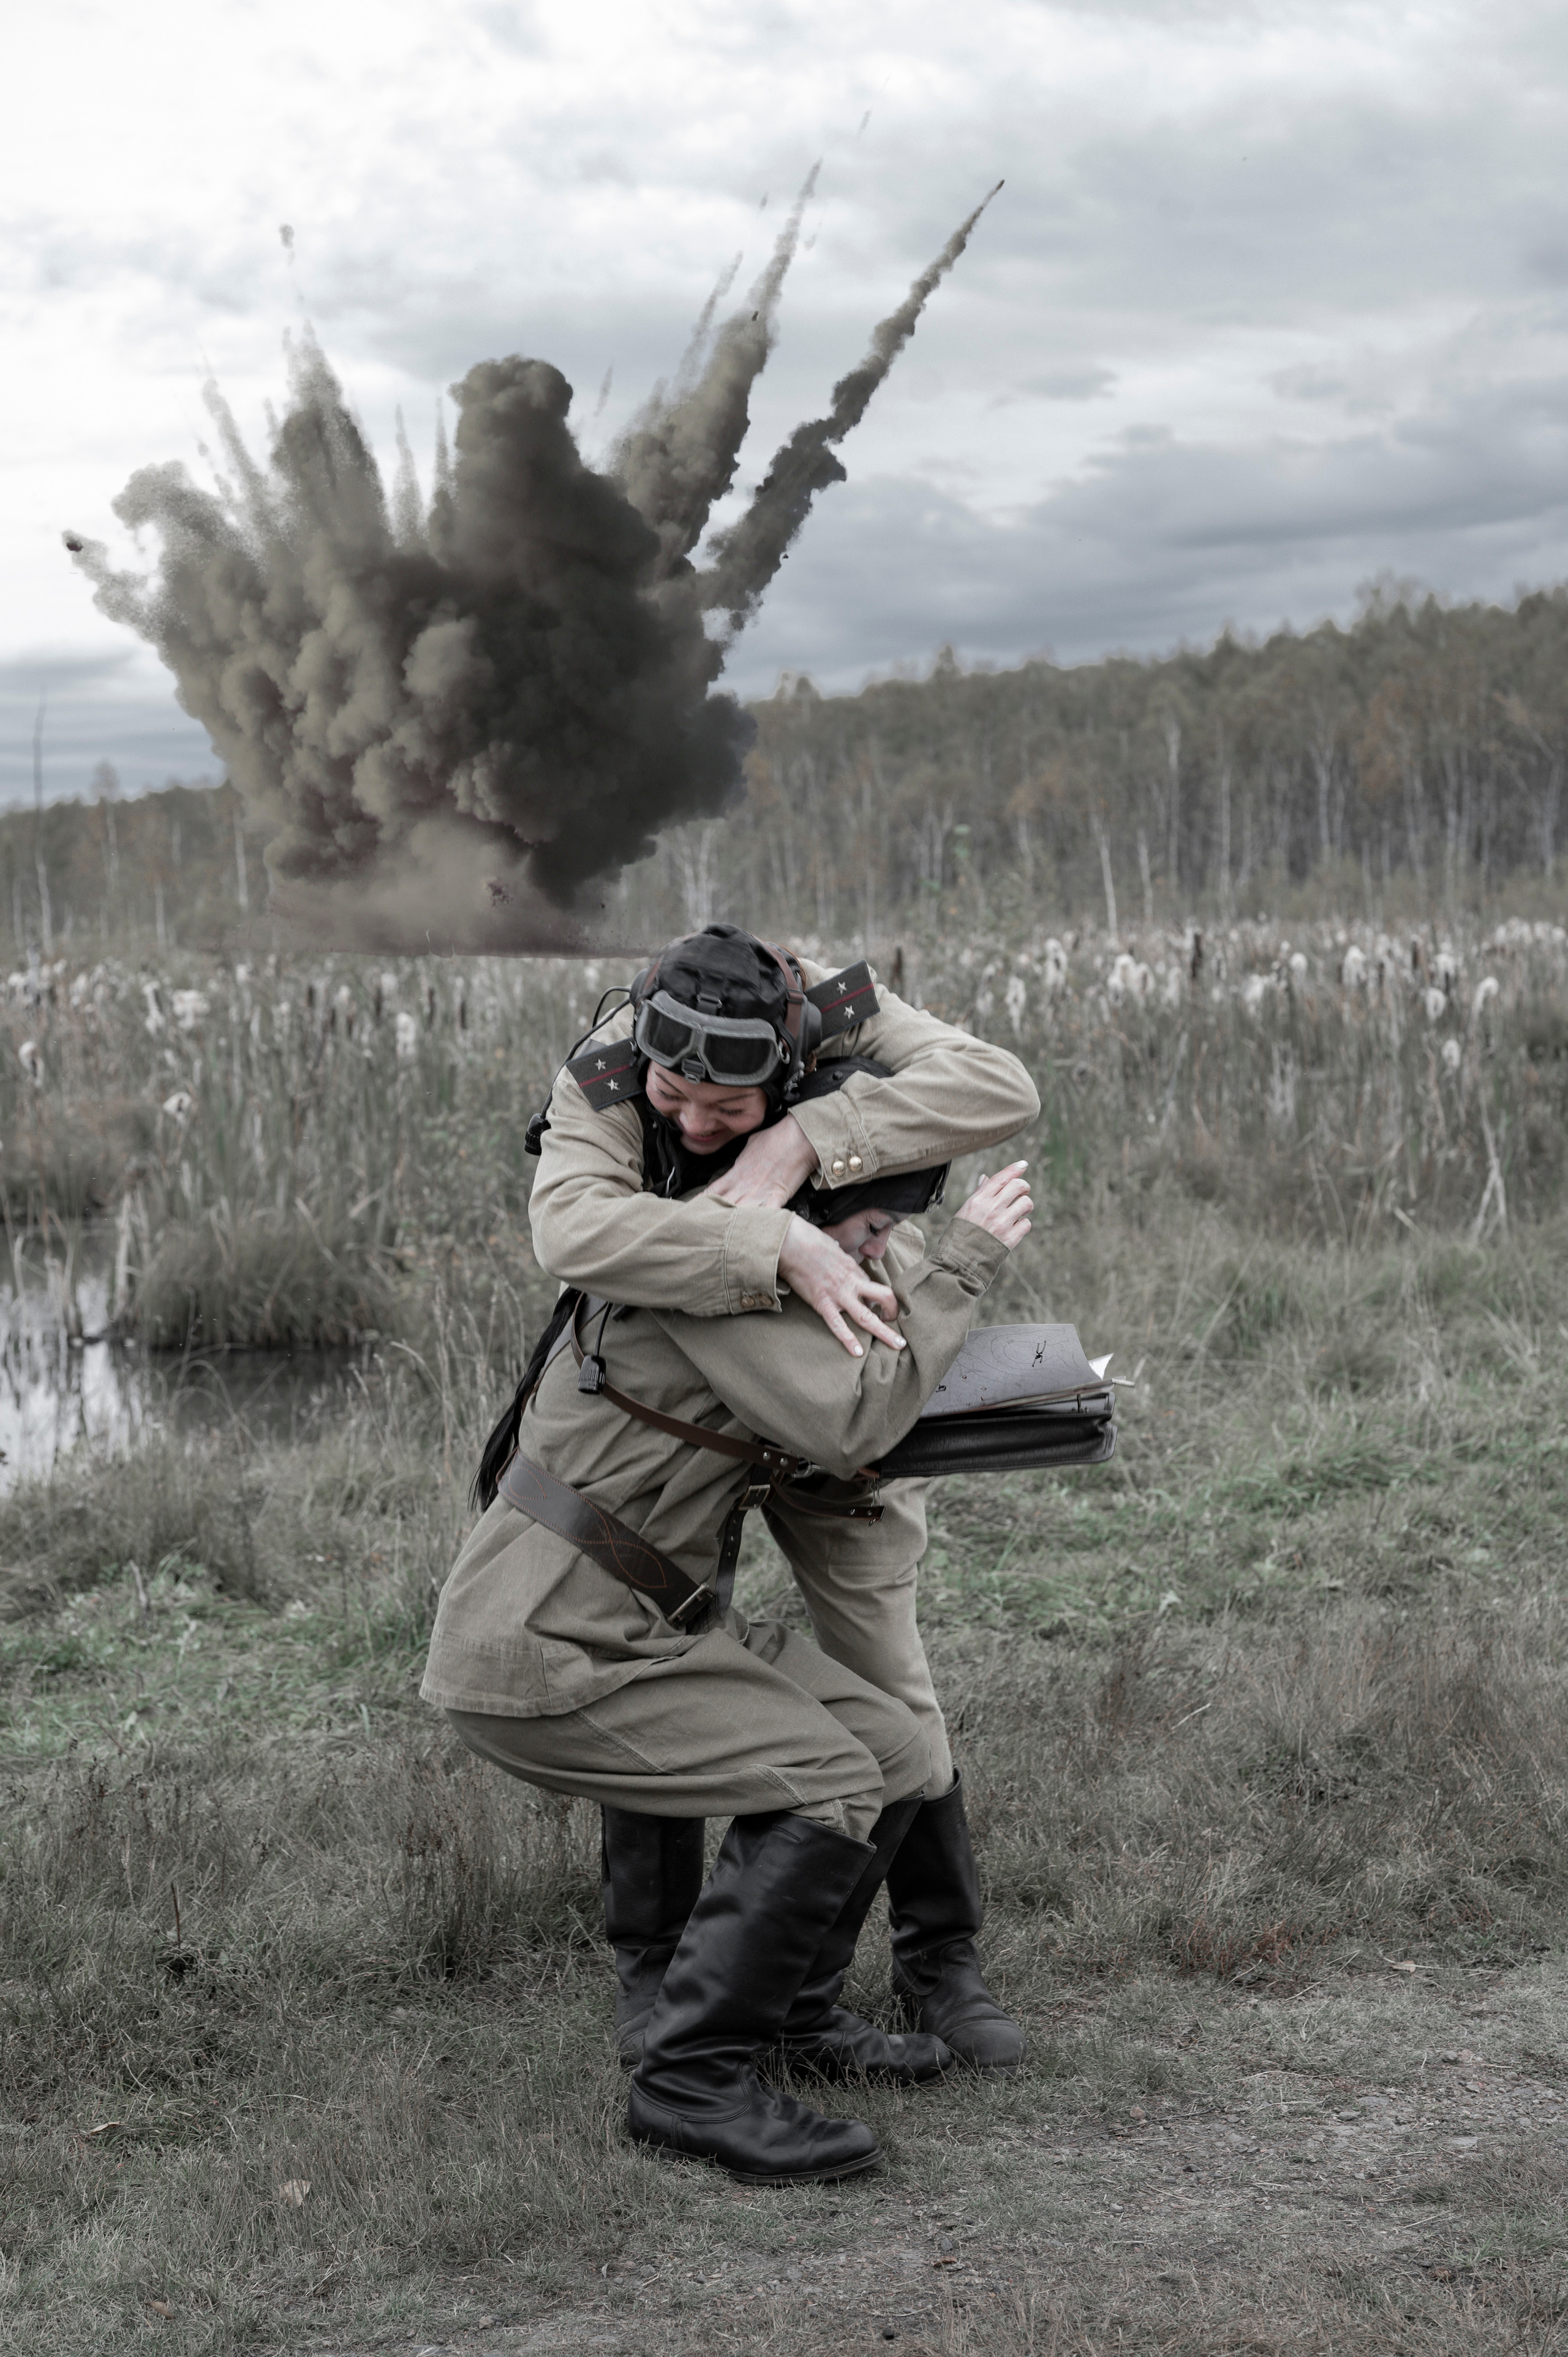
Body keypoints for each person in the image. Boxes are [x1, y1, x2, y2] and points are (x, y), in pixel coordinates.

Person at [421, 1157, 1033, 2184]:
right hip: (550, 1645)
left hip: (645, 1621)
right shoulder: (723, 1289)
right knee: (830, 1780)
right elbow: (852, 1423)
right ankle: (690, 2082)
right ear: (795, 1224)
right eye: (871, 1229)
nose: (880, 1252)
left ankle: (791, 2016)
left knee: (888, 1741)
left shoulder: (748, 1266)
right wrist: (961, 1266)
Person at [523, 925, 1038, 2070]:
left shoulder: (831, 1011)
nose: (697, 1125)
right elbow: (571, 1228)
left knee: (886, 1673)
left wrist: (812, 1136)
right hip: (677, 1416)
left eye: (731, 1109)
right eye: (678, 1098)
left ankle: (930, 1959)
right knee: (652, 1655)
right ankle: (658, 1973)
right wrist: (768, 1245)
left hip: (843, 1387)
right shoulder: (613, 1059)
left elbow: (997, 1085)